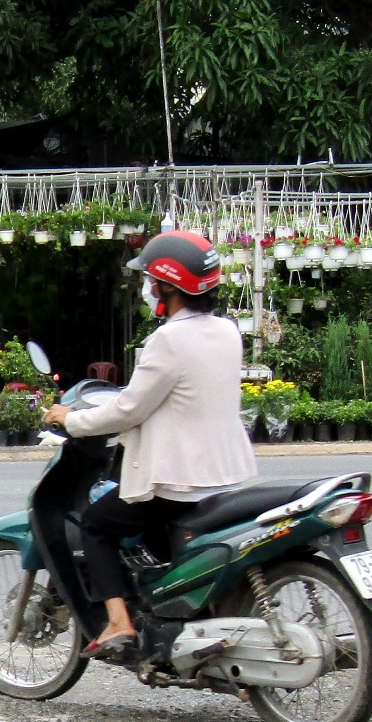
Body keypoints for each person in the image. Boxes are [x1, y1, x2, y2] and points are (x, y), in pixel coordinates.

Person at [40, 229, 257, 660]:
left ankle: (118, 623)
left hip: (179, 481)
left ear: (168, 286)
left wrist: (71, 418)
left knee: (98, 524)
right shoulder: (227, 331)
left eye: (151, 282)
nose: (147, 288)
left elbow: (128, 411)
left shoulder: (168, 340)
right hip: (228, 473)